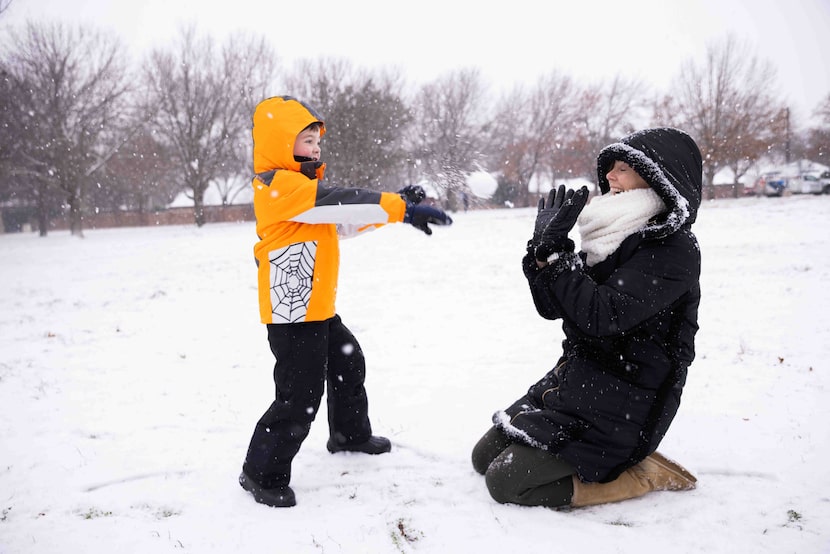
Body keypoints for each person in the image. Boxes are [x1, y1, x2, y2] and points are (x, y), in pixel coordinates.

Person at [472, 127, 702, 508]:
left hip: (627, 398)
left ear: (659, 176)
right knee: (484, 458)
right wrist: (544, 253)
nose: (610, 175)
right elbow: (553, 307)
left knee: (506, 483)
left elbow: (602, 316)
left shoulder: (673, 249)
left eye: (624, 168)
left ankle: (639, 474)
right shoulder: (612, 234)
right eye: (610, 167)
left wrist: (560, 262)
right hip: (577, 377)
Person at [239, 96, 452, 508]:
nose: (316, 148)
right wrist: (400, 208)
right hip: (292, 314)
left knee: (347, 361)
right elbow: (337, 201)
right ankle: (260, 472)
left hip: (315, 307)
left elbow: (344, 220)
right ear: (281, 143)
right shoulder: (276, 184)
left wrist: (397, 205)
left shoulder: (304, 192)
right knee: (298, 397)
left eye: (318, 141)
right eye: (306, 140)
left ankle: (348, 435)